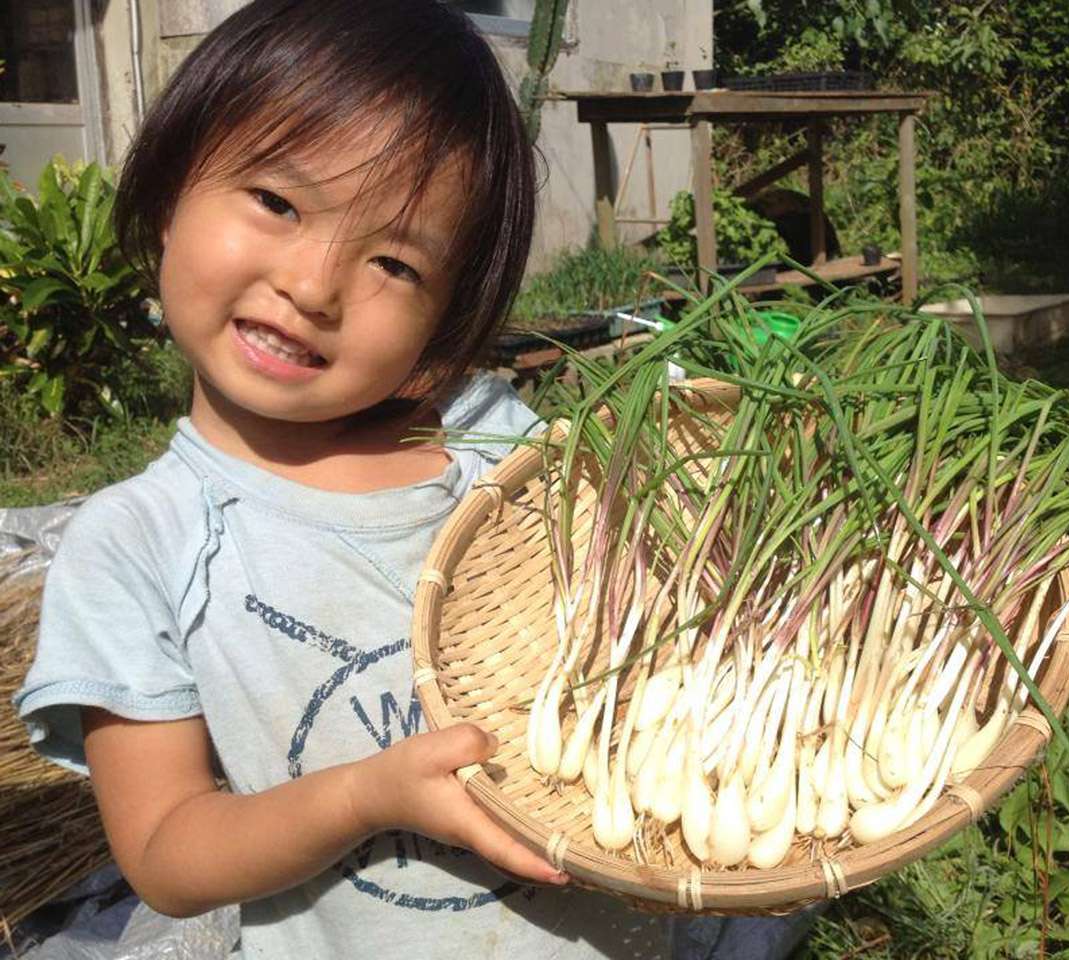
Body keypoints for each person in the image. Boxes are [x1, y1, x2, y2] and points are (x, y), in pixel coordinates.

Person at [14, 1, 670, 956]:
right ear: (165, 195)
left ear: (446, 319)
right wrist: (366, 798)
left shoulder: (503, 450)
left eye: (396, 263)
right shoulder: (136, 544)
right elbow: (164, 852)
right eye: (277, 203)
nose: (316, 286)